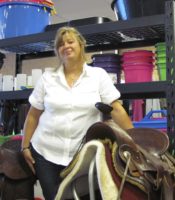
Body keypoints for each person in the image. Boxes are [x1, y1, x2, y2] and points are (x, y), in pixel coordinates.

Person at [21, 26, 133, 200]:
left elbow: (116, 109)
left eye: (70, 41)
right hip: (45, 153)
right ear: (58, 51)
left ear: (81, 44)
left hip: (83, 156)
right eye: (61, 44)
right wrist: (25, 146)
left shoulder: (98, 76)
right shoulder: (47, 78)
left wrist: (134, 141)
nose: (66, 46)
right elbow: (33, 115)